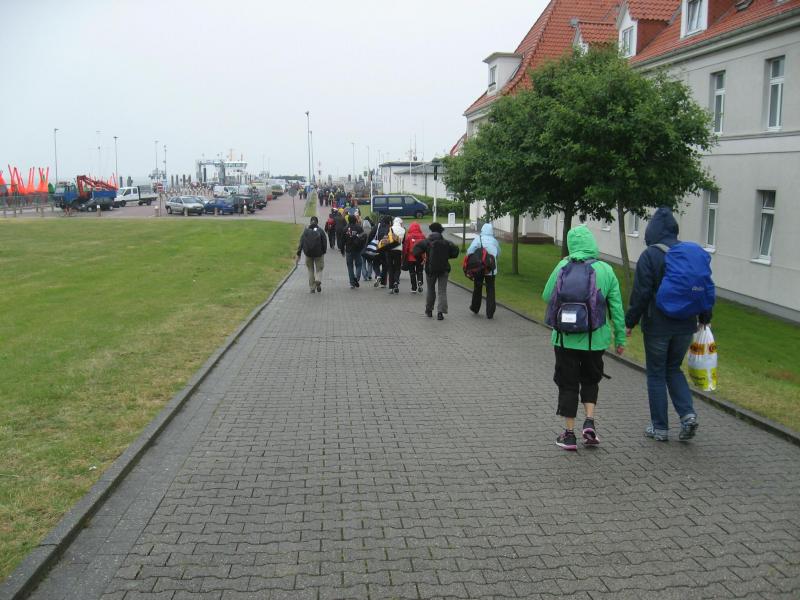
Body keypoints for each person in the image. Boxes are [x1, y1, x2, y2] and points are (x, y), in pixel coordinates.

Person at [625, 207, 712, 442]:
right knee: (673, 369)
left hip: (657, 326)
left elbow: (641, 294)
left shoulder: (650, 256)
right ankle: (688, 416)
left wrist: (630, 322)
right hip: (686, 325)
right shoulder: (689, 254)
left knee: (656, 374)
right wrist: (705, 317)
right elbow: (703, 286)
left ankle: (660, 428)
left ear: (652, 231)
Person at [542, 225, 625, 451]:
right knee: (590, 380)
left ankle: (569, 435)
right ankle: (589, 422)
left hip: (564, 339)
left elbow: (547, 295)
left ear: (571, 244)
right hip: (595, 340)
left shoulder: (562, 266)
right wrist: (620, 340)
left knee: (568, 384)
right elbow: (617, 309)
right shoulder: (605, 269)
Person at [412, 222, 459, 320]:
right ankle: (440, 312)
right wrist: (446, 256)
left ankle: (429, 310)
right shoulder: (447, 242)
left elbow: (415, 251)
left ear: (431, 230)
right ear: (441, 231)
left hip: (430, 269)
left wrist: (421, 260)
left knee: (430, 289)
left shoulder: (426, 242)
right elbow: (455, 252)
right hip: (444, 269)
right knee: (442, 291)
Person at [467, 223, 501, 318]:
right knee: (490, 289)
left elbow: (469, 251)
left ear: (482, 230)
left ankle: (475, 307)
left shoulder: (478, 239)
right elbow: (498, 253)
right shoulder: (494, 241)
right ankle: (490, 312)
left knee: (477, 287)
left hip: (479, 268)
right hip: (491, 269)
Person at [296, 216, 327, 293]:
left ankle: (312, 288)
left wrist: (299, 253)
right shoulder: (320, 231)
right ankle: (318, 280)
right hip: (319, 254)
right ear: (317, 222)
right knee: (319, 268)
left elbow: (301, 242)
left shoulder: (306, 231)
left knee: (310, 270)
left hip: (308, 254)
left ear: (310, 222)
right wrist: (323, 251)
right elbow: (324, 242)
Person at [402, 221, 427, 294]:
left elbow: (406, 247)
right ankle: (420, 281)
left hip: (411, 257)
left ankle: (414, 288)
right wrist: (425, 257)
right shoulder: (423, 236)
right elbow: (426, 247)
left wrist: (404, 256)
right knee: (420, 271)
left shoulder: (409, 236)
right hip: (420, 257)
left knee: (412, 273)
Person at [343, 214, 366, 288]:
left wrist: (342, 249)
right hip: (357, 249)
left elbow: (342, 240)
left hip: (348, 250)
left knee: (350, 266)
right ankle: (356, 277)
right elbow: (364, 237)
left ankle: (352, 283)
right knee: (359, 264)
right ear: (355, 220)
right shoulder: (359, 228)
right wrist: (362, 247)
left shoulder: (345, 228)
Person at [386, 217, 406, 294]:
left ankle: (391, 288)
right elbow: (403, 242)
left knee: (390, 268)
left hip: (389, 250)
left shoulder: (390, 228)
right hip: (398, 251)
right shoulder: (403, 230)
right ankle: (396, 281)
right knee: (397, 267)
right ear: (400, 223)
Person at [372, 215, 392, 288]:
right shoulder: (390, 228)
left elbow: (371, 235)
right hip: (386, 249)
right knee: (385, 265)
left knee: (375, 263)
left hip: (378, 247)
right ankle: (383, 283)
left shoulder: (377, 227)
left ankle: (378, 275)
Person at [361, 216, 375, 281]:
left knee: (363, 263)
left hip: (362, 250)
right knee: (370, 263)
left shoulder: (361, 231)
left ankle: (365, 276)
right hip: (369, 249)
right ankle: (369, 275)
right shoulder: (371, 232)